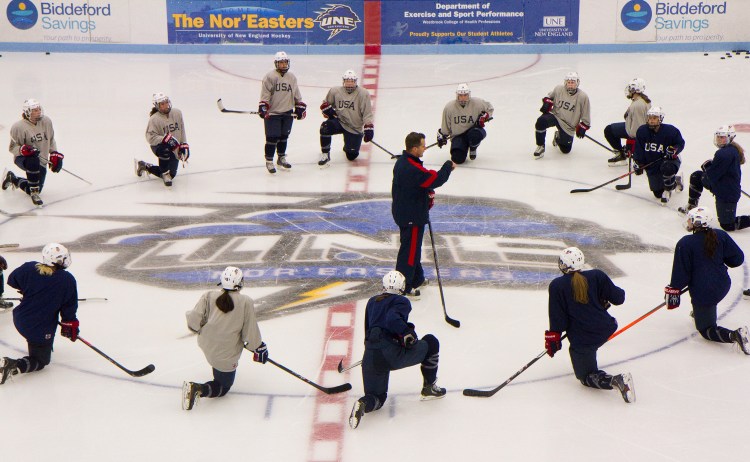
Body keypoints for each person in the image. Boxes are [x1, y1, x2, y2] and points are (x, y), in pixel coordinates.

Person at [349, 271, 445, 430]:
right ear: (401, 287)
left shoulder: (372, 301)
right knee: (431, 342)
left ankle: (363, 404)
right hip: (391, 354)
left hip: (371, 355)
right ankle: (429, 388)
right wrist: (408, 334)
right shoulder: (401, 301)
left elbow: (368, 330)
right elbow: (392, 318)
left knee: (377, 398)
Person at [544, 247, 635, 403]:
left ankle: (618, 380)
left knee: (585, 376)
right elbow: (619, 298)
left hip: (584, 337)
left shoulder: (557, 286)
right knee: (591, 342)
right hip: (607, 327)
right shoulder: (597, 275)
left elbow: (558, 319)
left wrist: (554, 338)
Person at [665, 207, 750, 354]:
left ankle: (735, 335)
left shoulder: (685, 243)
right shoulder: (720, 235)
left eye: (691, 219)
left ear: (697, 222)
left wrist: (673, 292)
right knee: (704, 306)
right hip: (723, 284)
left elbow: (680, 275)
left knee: (705, 329)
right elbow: (737, 259)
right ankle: (700, 313)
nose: (688, 221)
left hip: (704, 292)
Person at [182, 266, 266, 411]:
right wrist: (258, 347)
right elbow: (250, 332)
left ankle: (216, 370)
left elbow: (193, 321)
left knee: (218, 358)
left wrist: (202, 330)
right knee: (223, 387)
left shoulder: (208, 295)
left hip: (207, 343)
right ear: (240, 282)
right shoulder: (245, 302)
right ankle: (198, 389)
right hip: (226, 351)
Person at [0, 243, 79, 385]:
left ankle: (43, 344)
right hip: (38, 326)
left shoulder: (29, 267)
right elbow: (68, 309)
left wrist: (28, 290)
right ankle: (12, 365)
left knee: (40, 343)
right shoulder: (67, 280)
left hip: (20, 318)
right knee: (41, 360)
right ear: (58, 261)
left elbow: (12, 280)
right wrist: (69, 325)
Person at [392, 132, 455, 298]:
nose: (424, 148)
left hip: (406, 212)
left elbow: (417, 185)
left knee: (412, 248)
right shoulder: (412, 168)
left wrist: (426, 193)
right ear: (414, 148)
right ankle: (403, 286)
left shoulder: (403, 161)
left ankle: (417, 278)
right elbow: (433, 179)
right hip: (411, 216)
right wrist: (447, 167)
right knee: (409, 252)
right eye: (422, 145)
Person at [678, 125, 750, 230]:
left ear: (730, 137)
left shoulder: (724, 154)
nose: (720, 139)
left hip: (726, 193)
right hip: (723, 185)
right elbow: (721, 169)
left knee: (728, 225)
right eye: (718, 137)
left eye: (723, 137)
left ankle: (691, 205)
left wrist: (708, 169)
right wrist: (711, 167)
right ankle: (691, 206)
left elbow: (710, 178)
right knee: (697, 176)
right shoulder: (732, 149)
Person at [2, 99, 65, 207]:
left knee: (36, 186)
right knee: (33, 162)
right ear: (27, 112)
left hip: (42, 160)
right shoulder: (18, 127)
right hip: (23, 159)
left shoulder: (46, 121)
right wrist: (22, 150)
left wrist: (54, 153)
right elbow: (12, 148)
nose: (38, 111)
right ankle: (34, 193)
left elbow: (51, 139)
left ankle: (13, 178)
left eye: (39, 109)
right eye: (35, 110)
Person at [259, 51, 306, 174]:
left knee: (284, 136)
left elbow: (296, 93)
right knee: (272, 138)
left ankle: (281, 158)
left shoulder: (292, 77)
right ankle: (269, 161)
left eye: (285, 62)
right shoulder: (270, 77)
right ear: (276, 64)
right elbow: (265, 95)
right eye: (281, 63)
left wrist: (299, 106)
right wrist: (263, 106)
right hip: (273, 113)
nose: (283, 65)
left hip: (287, 112)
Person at [318, 70, 374, 168]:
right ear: (343, 81)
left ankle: (348, 146)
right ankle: (325, 154)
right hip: (339, 122)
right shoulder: (335, 91)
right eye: (347, 81)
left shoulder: (363, 93)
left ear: (355, 82)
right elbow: (325, 104)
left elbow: (367, 113)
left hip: (354, 127)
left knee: (352, 156)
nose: (349, 83)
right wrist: (327, 110)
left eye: (352, 81)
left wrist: (368, 127)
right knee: (325, 127)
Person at [632, 106, 685, 204]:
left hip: (669, 160)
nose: (651, 121)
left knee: (667, 168)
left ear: (660, 119)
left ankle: (668, 190)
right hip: (652, 164)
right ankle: (676, 180)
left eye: (654, 118)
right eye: (650, 118)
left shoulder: (670, 131)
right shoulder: (642, 131)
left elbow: (680, 143)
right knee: (657, 193)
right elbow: (639, 148)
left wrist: (673, 150)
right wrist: (638, 163)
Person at [135, 92, 189, 187]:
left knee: (172, 174)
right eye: (162, 104)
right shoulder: (154, 119)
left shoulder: (177, 113)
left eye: (166, 102)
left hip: (174, 147)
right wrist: (164, 139)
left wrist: (183, 144)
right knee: (165, 150)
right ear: (157, 106)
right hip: (158, 146)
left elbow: (182, 130)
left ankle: (145, 166)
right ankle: (164, 174)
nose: (166, 105)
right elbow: (150, 137)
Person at [533, 72, 591, 159]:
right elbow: (549, 97)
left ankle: (558, 136)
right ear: (565, 83)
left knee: (565, 150)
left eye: (573, 82)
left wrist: (583, 126)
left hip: (568, 125)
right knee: (541, 121)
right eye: (569, 82)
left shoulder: (583, 97)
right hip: (555, 116)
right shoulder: (558, 89)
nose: (570, 85)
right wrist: (547, 103)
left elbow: (586, 114)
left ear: (577, 83)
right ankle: (540, 146)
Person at [437, 83, 494, 163]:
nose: (463, 98)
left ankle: (473, 148)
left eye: (465, 95)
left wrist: (485, 116)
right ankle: (462, 147)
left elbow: (490, 108)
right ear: (457, 95)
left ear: (469, 95)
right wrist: (443, 135)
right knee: (457, 159)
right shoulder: (449, 107)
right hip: (458, 136)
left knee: (475, 136)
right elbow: (445, 125)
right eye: (461, 95)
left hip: (474, 131)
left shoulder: (477, 103)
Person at [604, 77, 651, 166]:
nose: (628, 90)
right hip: (632, 126)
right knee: (610, 129)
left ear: (635, 90)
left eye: (630, 88)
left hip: (634, 131)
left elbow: (638, 128)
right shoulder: (641, 100)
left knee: (609, 131)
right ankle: (621, 153)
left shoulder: (638, 105)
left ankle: (622, 154)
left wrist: (631, 143)